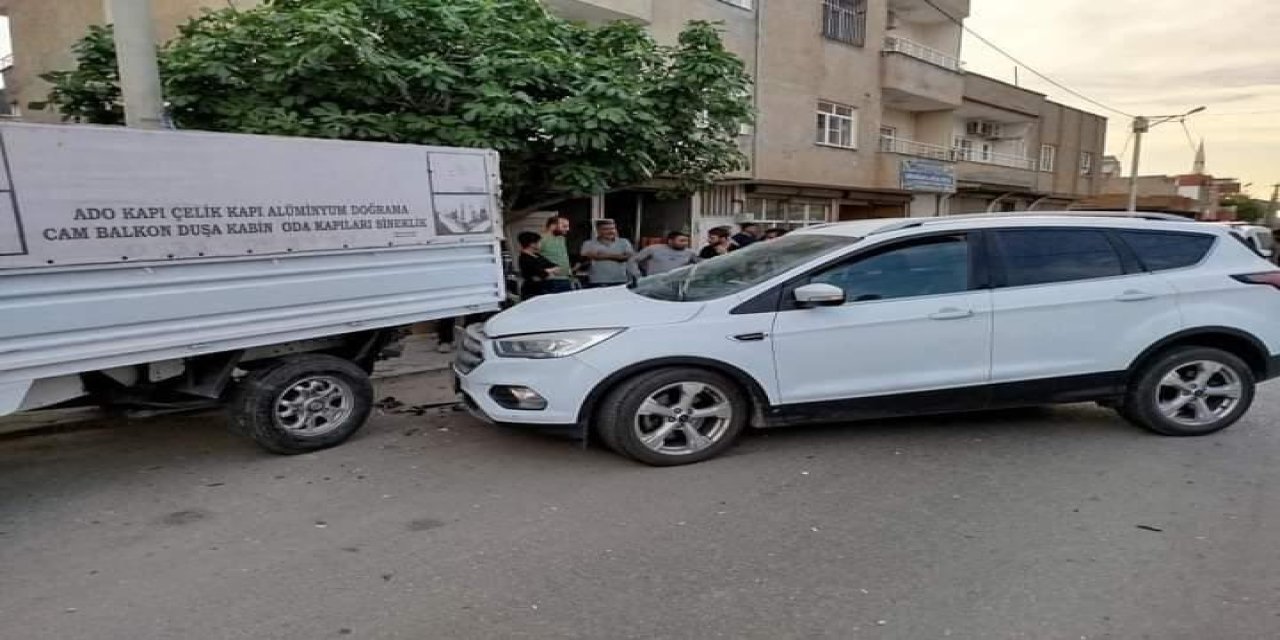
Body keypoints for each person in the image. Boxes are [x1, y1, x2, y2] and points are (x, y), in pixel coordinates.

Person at [579, 219, 635, 287]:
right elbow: (585, 258)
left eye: (612, 228)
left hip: (620, 280)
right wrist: (618, 256)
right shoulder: (588, 244)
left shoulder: (624, 242)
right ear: (598, 230)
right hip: (597, 281)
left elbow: (626, 257)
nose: (610, 231)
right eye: (606, 229)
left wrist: (600, 255)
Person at [629, 231, 698, 277]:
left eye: (687, 241)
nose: (685, 243)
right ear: (670, 241)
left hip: (678, 285)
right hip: (654, 284)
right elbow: (632, 260)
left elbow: (703, 264)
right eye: (681, 241)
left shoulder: (690, 253)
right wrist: (637, 276)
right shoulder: (653, 249)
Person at [516, 231, 560, 300]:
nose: (541, 244)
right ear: (532, 244)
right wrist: (547, 272)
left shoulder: (537, 255)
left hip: (545, 289)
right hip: (533, 292)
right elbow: (539, 274)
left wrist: (546, 272)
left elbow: (556, 267)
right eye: (539, 242)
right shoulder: (524, 258)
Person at [539, 215, 574, 294]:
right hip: (551, 280)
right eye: (564, 226)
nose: (568, 229)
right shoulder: (541, 239)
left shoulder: (561, 238)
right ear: (552, 226)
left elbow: (563, 256)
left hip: (565, 278)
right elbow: (533, 257)